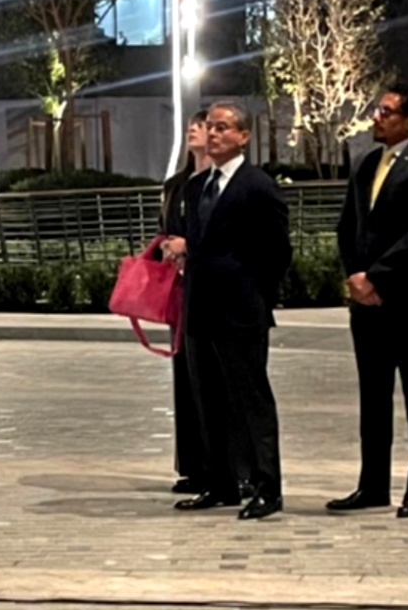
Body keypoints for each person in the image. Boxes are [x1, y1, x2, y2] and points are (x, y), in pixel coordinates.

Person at [328, 83, 408, 519]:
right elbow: (347, 227)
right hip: (366, 300)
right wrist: (354, 276)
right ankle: (372, 485)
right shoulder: (367, 163)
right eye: (377, 109)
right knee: (373, 394)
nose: (376, 117)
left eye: (386, 111)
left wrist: (376, 276)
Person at [174, 102, 292, 520]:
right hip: (199, 309)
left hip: (241, 311)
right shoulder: (196, 187)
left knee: (250, 401)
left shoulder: (257, 186)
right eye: (210, 126)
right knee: (207, 400)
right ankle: (219, 483)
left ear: (243, 136)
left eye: (223, 127)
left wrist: (256, 295)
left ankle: (266, 487)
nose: (213, 133)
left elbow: (277, 251)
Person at [158, 110, 210, 495]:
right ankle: (194, 466)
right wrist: (168, 249)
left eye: (203, 125)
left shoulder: (224, 184)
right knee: (186, 377)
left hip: (215, 288)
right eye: (192, 125)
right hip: (181, 291)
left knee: (218, 382)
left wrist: (190, 247)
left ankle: (230, 467)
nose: (194, 130)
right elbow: (165, 230)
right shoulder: (176, 185)